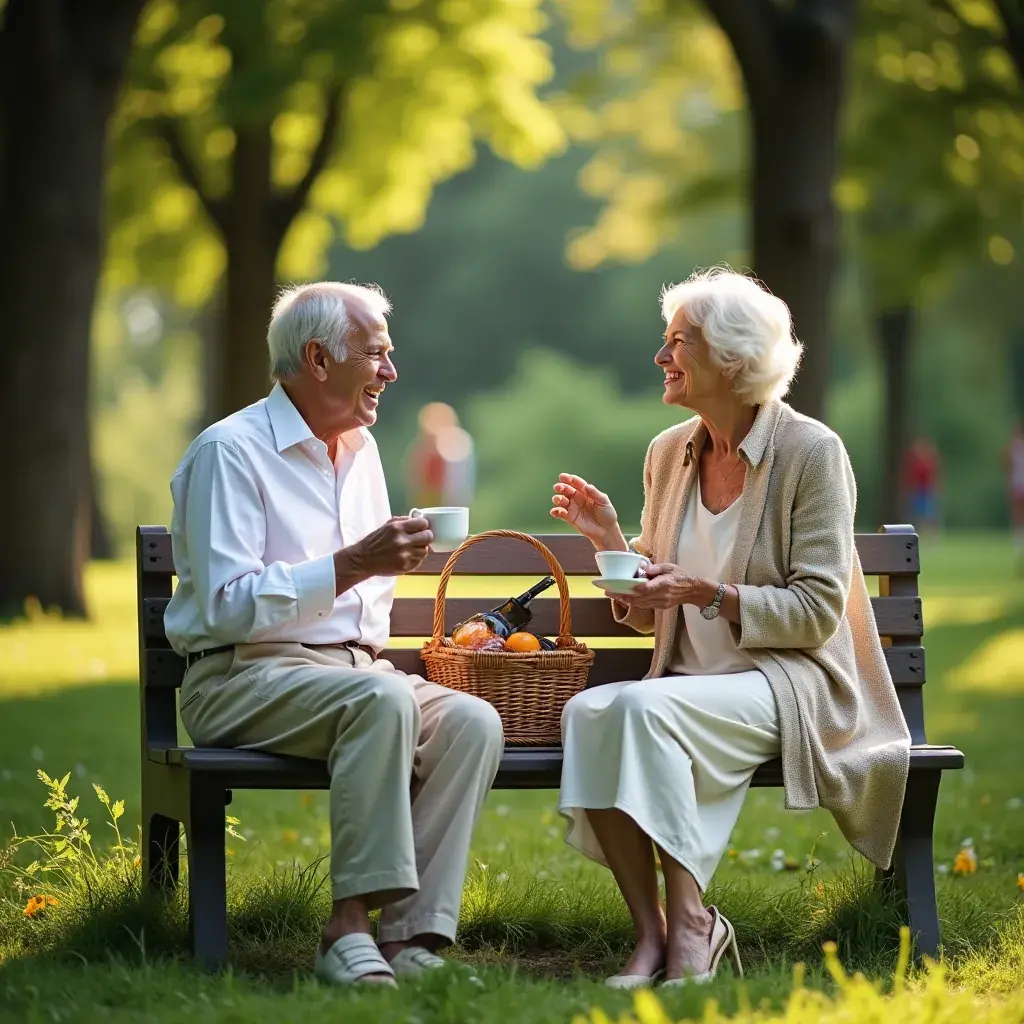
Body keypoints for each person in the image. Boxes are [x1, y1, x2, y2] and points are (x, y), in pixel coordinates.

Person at [549, 267, 911, 988]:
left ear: (733, 360)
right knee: (590, 711)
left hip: (786, 682)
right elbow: (656, 594)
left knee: (645, 714)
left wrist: (713, 592)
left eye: (678, 342)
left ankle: (692, 924)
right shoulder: (669, 452)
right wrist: (610, 539)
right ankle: (653, 934)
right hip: (689, 684)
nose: (661, 358)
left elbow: (815, 611)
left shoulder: (811, 453)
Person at [164, 282, 504, 987]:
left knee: (471, 721)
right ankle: (345, 929)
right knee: (381, 705)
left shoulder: (363, 453)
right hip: (239, 675)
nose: (391, 371)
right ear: (318, 360)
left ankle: (413, 941)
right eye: (376, 354)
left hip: (351, 673)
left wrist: (380, 569)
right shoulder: (228, 453)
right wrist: (353, 564)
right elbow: (226, 608)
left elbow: (367, 605)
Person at [406, 402, 476, 510]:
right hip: (429, 499)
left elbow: (458, 482)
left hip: (451, 502)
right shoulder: (422, 447)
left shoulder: (457, 444)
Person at [902, 436, 941, 532]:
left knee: (929, 514)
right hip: (916, 490)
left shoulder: (928, 460)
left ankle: (930, 532)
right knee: (916, 513)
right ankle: (918, 530)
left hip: (926, 490)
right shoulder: (914, 459)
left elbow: (933, 475)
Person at [1006, 420, 1024, 572]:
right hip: (1018, 484)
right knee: (1018, 513)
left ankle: (1019, 539)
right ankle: (1018, 539)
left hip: (1019, 483)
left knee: (1019, 513)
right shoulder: (1015, 447)